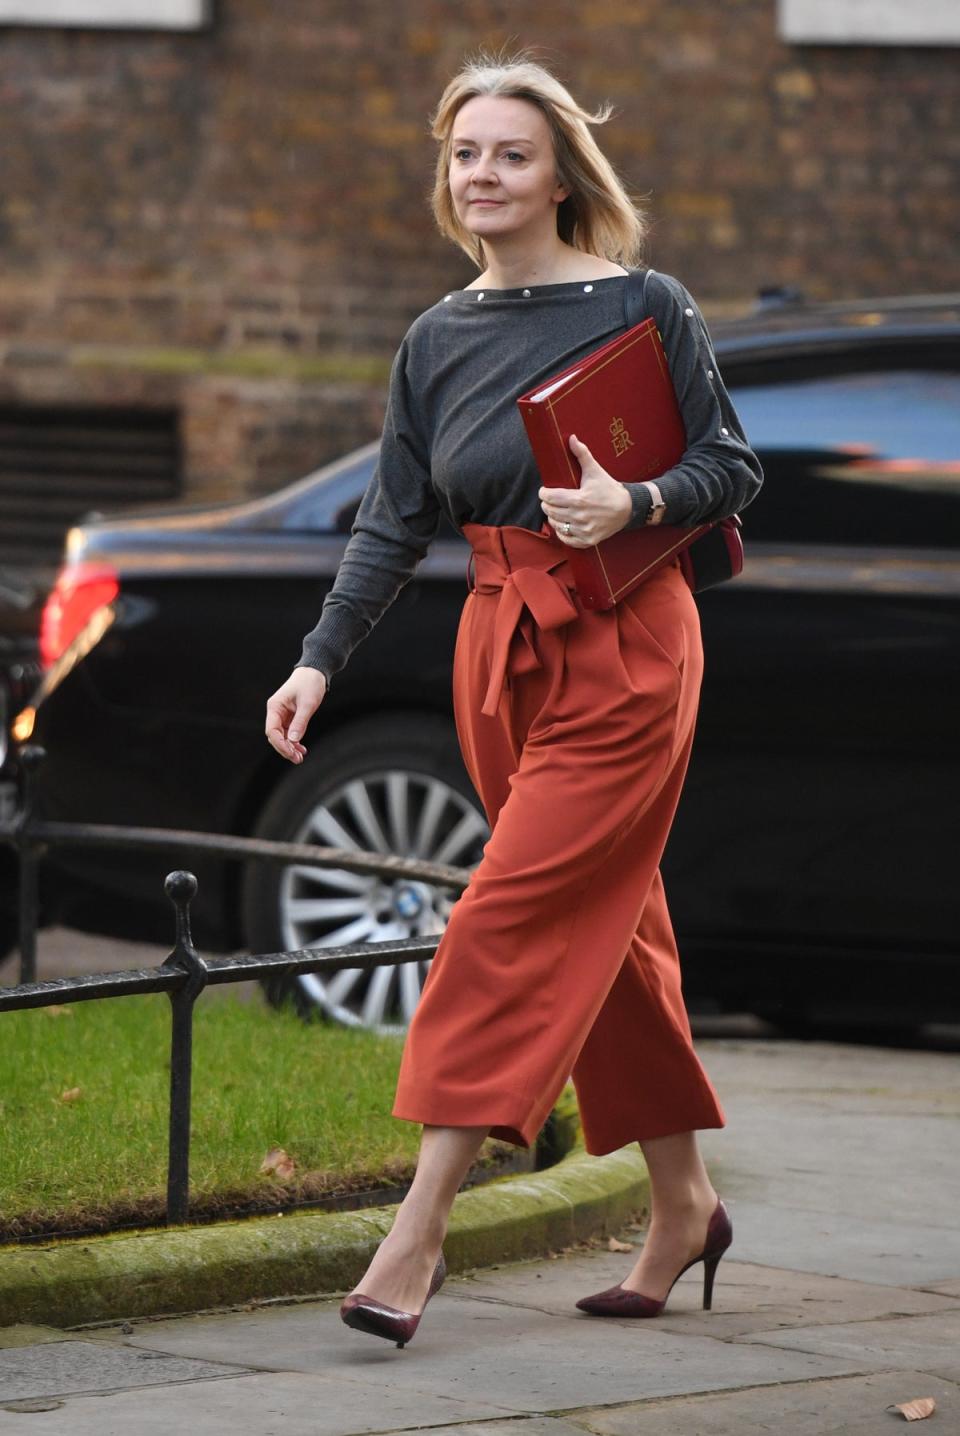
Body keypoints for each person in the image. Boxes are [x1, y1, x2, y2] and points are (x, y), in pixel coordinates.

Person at [265, 51, 763, 1348]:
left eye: (510, 155)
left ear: (560, 179)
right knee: (616, 932)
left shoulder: (644, 304)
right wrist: (318, 658)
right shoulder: (435, 338)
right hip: (503, 650)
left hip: (631, 644)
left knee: (504, 918)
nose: (481, 175)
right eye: (464, 154)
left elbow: (732, 465)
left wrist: (634, 504)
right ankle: (684, 1205)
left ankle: (416, 1232)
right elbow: (391, 524)